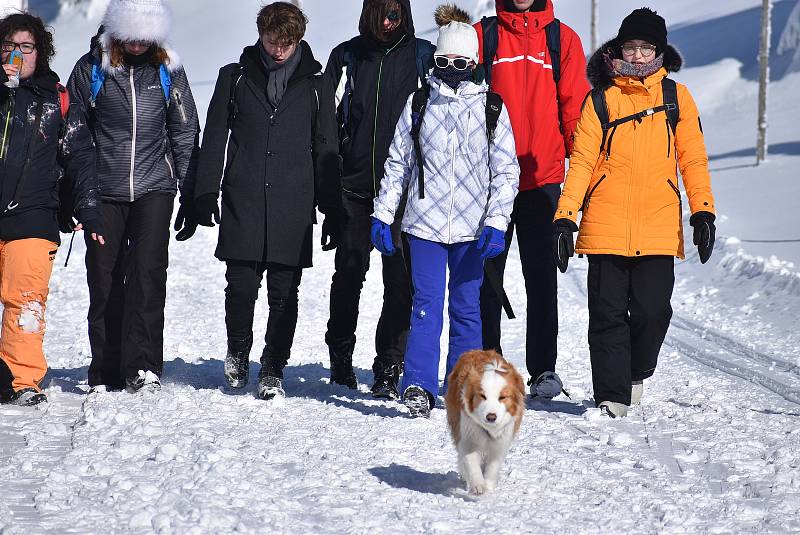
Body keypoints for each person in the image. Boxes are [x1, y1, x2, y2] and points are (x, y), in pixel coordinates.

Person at [553, 8, 716, 418]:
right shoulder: (601, 100)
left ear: (659, 51)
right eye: (631, 47)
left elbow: (692, 159)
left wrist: (703, 212)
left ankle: (638, 370)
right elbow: (583, 162)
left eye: (646, 48)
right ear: (618, 49)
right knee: (607, 315)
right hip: (605, 224)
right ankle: (611, 395)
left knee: (652, 311)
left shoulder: (677, 98)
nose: (639, 56)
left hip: (658, 226)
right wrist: (565, 217)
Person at [372, 10, 520, 418]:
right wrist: (384, 214)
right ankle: (418, 384)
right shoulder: (420, 103)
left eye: (460, 64)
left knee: (467, 307)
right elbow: (398, 162)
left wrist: (496, 223)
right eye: (442, 63)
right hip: (425, 225)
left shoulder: (492, 107)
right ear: (433, 62)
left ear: (474, 64)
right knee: (425, 304)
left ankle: (461, 386)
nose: (451, 71)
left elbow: (507, 171)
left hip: (473, 229)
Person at [193, 2, 339, 400]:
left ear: (299, 40)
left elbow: (326, 144)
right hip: (244, 196)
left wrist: (332, 208)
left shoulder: (316, 83)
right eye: (273, 41)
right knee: (239, 285)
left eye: (287, 43)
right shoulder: (234, 77)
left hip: (293, 202)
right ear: (260, 34)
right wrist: (204, 192)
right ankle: (238, 353)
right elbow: (214, 137)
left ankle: (273, 365)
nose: (278, 50)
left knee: (283, 292)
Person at [67, 0, 200, 393]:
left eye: (146, 37)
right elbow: (76, 134)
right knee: (104, 277)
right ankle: (107, 365)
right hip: (104, 188)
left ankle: (142, 366)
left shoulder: (167, 69)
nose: (138, 44)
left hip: (155, 186)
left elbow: (184, 130)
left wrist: (190, 193)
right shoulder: (91, 68)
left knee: (147, 274)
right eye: (131, 36)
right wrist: (82, 194)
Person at [474, 0, 590, 399]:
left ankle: (543, 370)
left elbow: (575, 111)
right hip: (489, 182)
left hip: (543, 180)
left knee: (541, 279)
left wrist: (586, 176)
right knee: (484, 277)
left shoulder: (563, 40)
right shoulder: (483, 36)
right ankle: (489, 362)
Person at [321, 0, 434, 399]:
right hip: (353, 190)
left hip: (405, 195)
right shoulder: (347, 57)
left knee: (400, 284)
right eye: (382, 14)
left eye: (396, 14)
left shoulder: (423, 58)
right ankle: (340, 356)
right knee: (349, 275)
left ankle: (389, 364)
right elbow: (325, 129)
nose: (389, 22)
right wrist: (329, 195)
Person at [0, 13, 101, 406]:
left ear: (39, 53)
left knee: (25, 301)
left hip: (34, 215)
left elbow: (81, 158)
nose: (16, 54)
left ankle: (22, 380)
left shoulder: (57, 99)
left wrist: (88, 210)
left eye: (25, 47)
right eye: (8, 46)